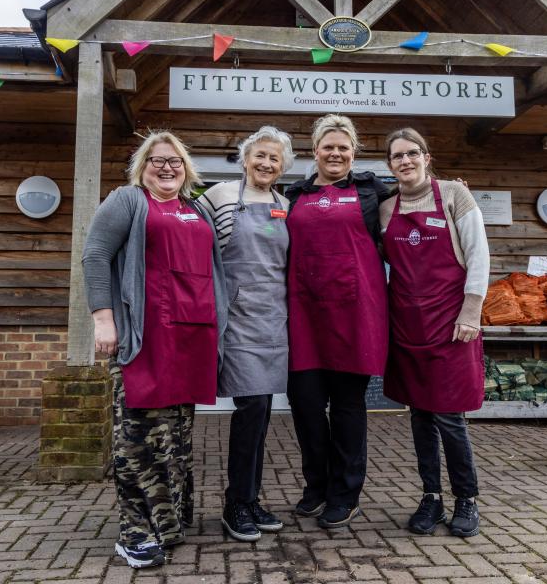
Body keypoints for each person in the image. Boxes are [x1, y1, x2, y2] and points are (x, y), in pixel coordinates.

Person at [82, 131, 227, 568]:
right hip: (144, 338)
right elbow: (94, 256)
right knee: (138, 439)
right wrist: (103, 320)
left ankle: (168, 522)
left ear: (187, 169)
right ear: (142, 165)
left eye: (176, 162)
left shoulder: (195, 207)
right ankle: (135, 532)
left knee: (176, 439)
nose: (167, 168)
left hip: (190, 338)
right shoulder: (128, 200)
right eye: (157, 160)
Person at [379, 127, 490, 538]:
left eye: (412, 153)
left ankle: (466, 498)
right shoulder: (386, 208)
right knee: (420, 416)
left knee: (449, 415)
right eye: (396, 156)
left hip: (452, 324)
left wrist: (471, 312)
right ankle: (431, 497)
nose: (405, 161)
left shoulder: (456, 196)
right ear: (389, 165)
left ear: (427, 157)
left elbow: (478, 254)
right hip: (407, 325)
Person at [283, 114, 390, 529]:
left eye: (343, 146)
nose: (336, 153)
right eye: (328, 146)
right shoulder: (293, 194)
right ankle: (316, 487)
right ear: (315, 150)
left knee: (347, 409)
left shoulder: (372, 191)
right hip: (305, 317)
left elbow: (410, 214)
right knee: (307, 406)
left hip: (354, 315)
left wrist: (451, 194)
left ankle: (345, 494)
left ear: (354, 151)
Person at [199, 126, 294, 542]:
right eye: (260, 155)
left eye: (274, 158)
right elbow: (185, 236)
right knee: (251, 406)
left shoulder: (284, 205)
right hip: (235, 317)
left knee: (262, 411)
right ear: (244, 158)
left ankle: (250, 498)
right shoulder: (219, 196)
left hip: (273, 318)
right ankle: (235, 502)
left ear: (283, 166)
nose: (266, 164)